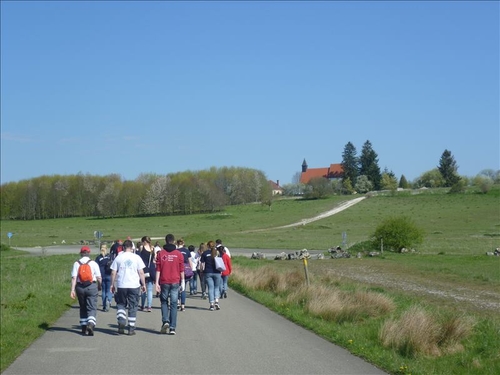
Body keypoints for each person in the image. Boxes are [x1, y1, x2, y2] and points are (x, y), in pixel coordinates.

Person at [110, 240, 146, 335]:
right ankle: (131, 328)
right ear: (132, 247)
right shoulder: (136, 257)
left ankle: (121, 320)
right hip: (134, 285)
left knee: (121, 304)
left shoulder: (119, 257)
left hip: (122, 284)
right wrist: (143, 284)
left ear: (123, 247)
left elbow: (113, 272)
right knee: (133, 305)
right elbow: (141, 272)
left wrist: (112, 284)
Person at [155, 234, 185, 335]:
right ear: (173, 241)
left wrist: (156, 282)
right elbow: (181, 269)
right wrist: (183, 281)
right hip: (175, 281)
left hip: (164, 281)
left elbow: (158, 269)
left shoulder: (161, 253)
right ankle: (172, 327)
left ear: (166, 241)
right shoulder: (178, 254)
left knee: (164, 302)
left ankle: (165, 321)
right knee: (173, 304)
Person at [70, 246, 102, 336]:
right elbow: (99, 277)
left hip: (80, 287)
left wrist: (72, 290)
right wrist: (99, 286)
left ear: (81, 253)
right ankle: (91, 324)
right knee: (92, 307)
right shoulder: (93, 263)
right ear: (89, 253)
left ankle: (83, 328)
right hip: (91, 286)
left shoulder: (76, 263)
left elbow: (74, 278)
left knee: (83, 307)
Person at [200, 240, 222, 311]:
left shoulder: (205, 253)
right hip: (217, 272)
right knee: (216, 287)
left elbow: (202, 264)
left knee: (210, 288)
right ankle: (217, 301)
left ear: (208, 246)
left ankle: (211, 304)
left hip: (208, 272)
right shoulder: (217, 253)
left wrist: (201, 271)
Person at [139, 236, 156, 312]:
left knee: (143, 288)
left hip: (144, 269)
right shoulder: (153, 248)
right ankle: (149, 306)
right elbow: (154, 259)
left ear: (144, 241)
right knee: (150, 290)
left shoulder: (142, 248)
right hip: (151, 270)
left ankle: (142, 305)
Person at [176, 238, 193, 311]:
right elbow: (190, 262)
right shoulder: (187, 251)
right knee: (183, 288)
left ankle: (177, 302)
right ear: (183, 243)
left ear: (177, 244)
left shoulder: (176, 251)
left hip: (177, 270)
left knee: (176, 288)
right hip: (185, 271)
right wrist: (191, 271)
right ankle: (183, 305)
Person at [95, 244, 113, 311]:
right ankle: (109, 300)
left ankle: (104, 305)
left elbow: (96, 267)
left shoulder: (98, 258)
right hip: (109, 274)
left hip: (101, 275)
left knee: (103, 291)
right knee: (109, 290)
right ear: (106, 248)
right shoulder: (110, 256)